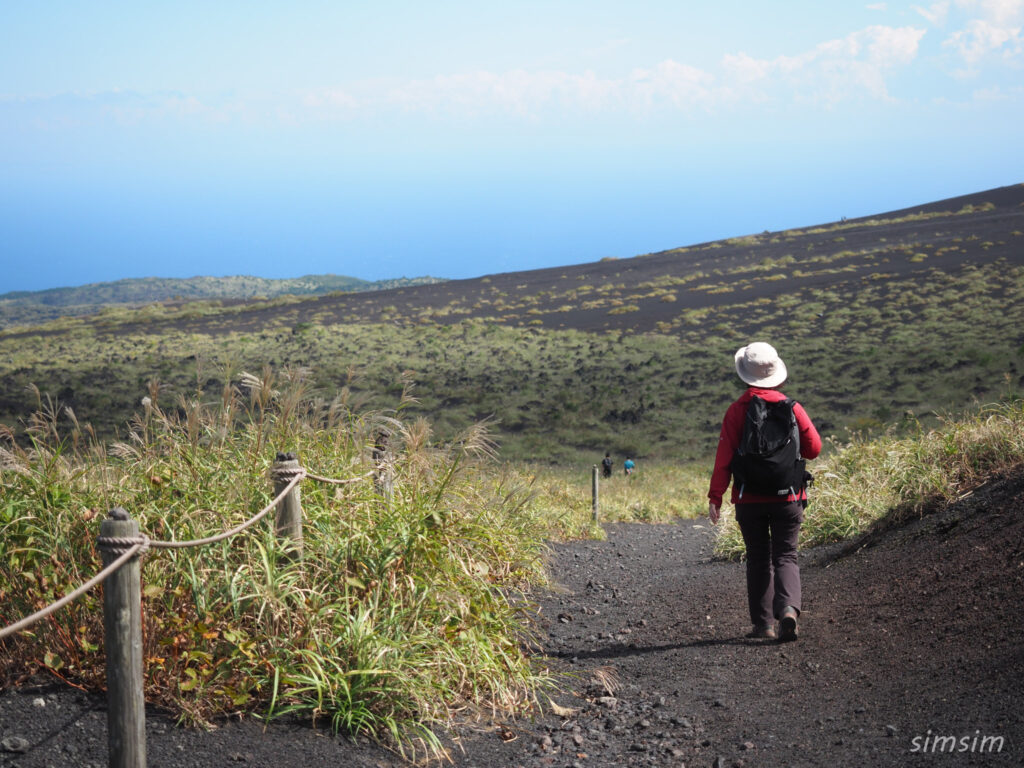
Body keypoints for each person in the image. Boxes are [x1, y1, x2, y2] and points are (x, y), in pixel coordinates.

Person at [707, 342, 821, 641]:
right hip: (789, 497)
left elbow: (724, 459)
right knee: (786, 555)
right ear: (777, 374)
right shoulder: (792, 407)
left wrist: (715, 497)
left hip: (749, 498)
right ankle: (788, 610)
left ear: (745, 376)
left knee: (758, 557)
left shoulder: (736, 411)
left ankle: (764, 625)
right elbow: (815, 448)